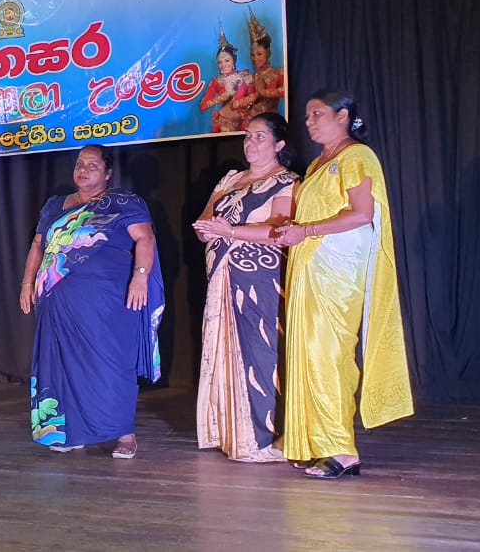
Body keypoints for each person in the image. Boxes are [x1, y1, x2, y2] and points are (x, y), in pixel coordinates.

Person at [274, 90, 414, 479]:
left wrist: (308, 230)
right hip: (310, 266)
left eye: (317, 114)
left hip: (338, 270)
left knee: (329, 354)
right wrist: (294, 232)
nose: (309, 121)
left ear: (343, 116)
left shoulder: (357, 156)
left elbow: (361, 214)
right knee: (307, 354)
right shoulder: (320, 162)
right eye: (307, 116)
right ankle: (314, 443)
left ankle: (342, 449)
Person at [20, 144, 164, 459]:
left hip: (106, 302)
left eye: (92, 165)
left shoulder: (123, 202)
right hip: (57, 300)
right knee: (61, 365)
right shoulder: (56, 205)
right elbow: (38, 246)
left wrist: (140, 277)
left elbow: (145, 238)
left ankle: (124, 434)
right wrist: (27, 282)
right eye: (80, 164)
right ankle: (71, 431)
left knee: (112, 364)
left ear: (108, 172)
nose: (83, 170)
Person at [191, 113, 299, 462]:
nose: (251, 143)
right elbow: (206, 219)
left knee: (261, 351)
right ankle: (231, 432)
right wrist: (207, 231)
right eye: (248, 136)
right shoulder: (230, 178)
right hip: (222, 273)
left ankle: (266, 437)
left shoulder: (287, 181)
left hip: (259, 277)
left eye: (260, 137)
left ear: (279, 145)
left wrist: (230, 233)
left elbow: (278, 229)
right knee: (225, 346)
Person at [199, 24, 255, 133]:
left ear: (233, 61)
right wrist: (226, 95)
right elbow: (203, 106)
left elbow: (253, 96)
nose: (223, 65)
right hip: (223, 125)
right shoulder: (217, 81)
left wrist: (242, 104)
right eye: (220, 62)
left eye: (227, 60)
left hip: (244, 123)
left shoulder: (245, 75)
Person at [243, 9, 285, 118]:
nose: (255, 58)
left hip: (271, 123)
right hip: (252, 122)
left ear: (268, 53)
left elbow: (287, 90)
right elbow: (237, 103)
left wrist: (263, 92)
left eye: (259, 54)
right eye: (253, 55)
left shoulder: (279, 73)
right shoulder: (250, 78)